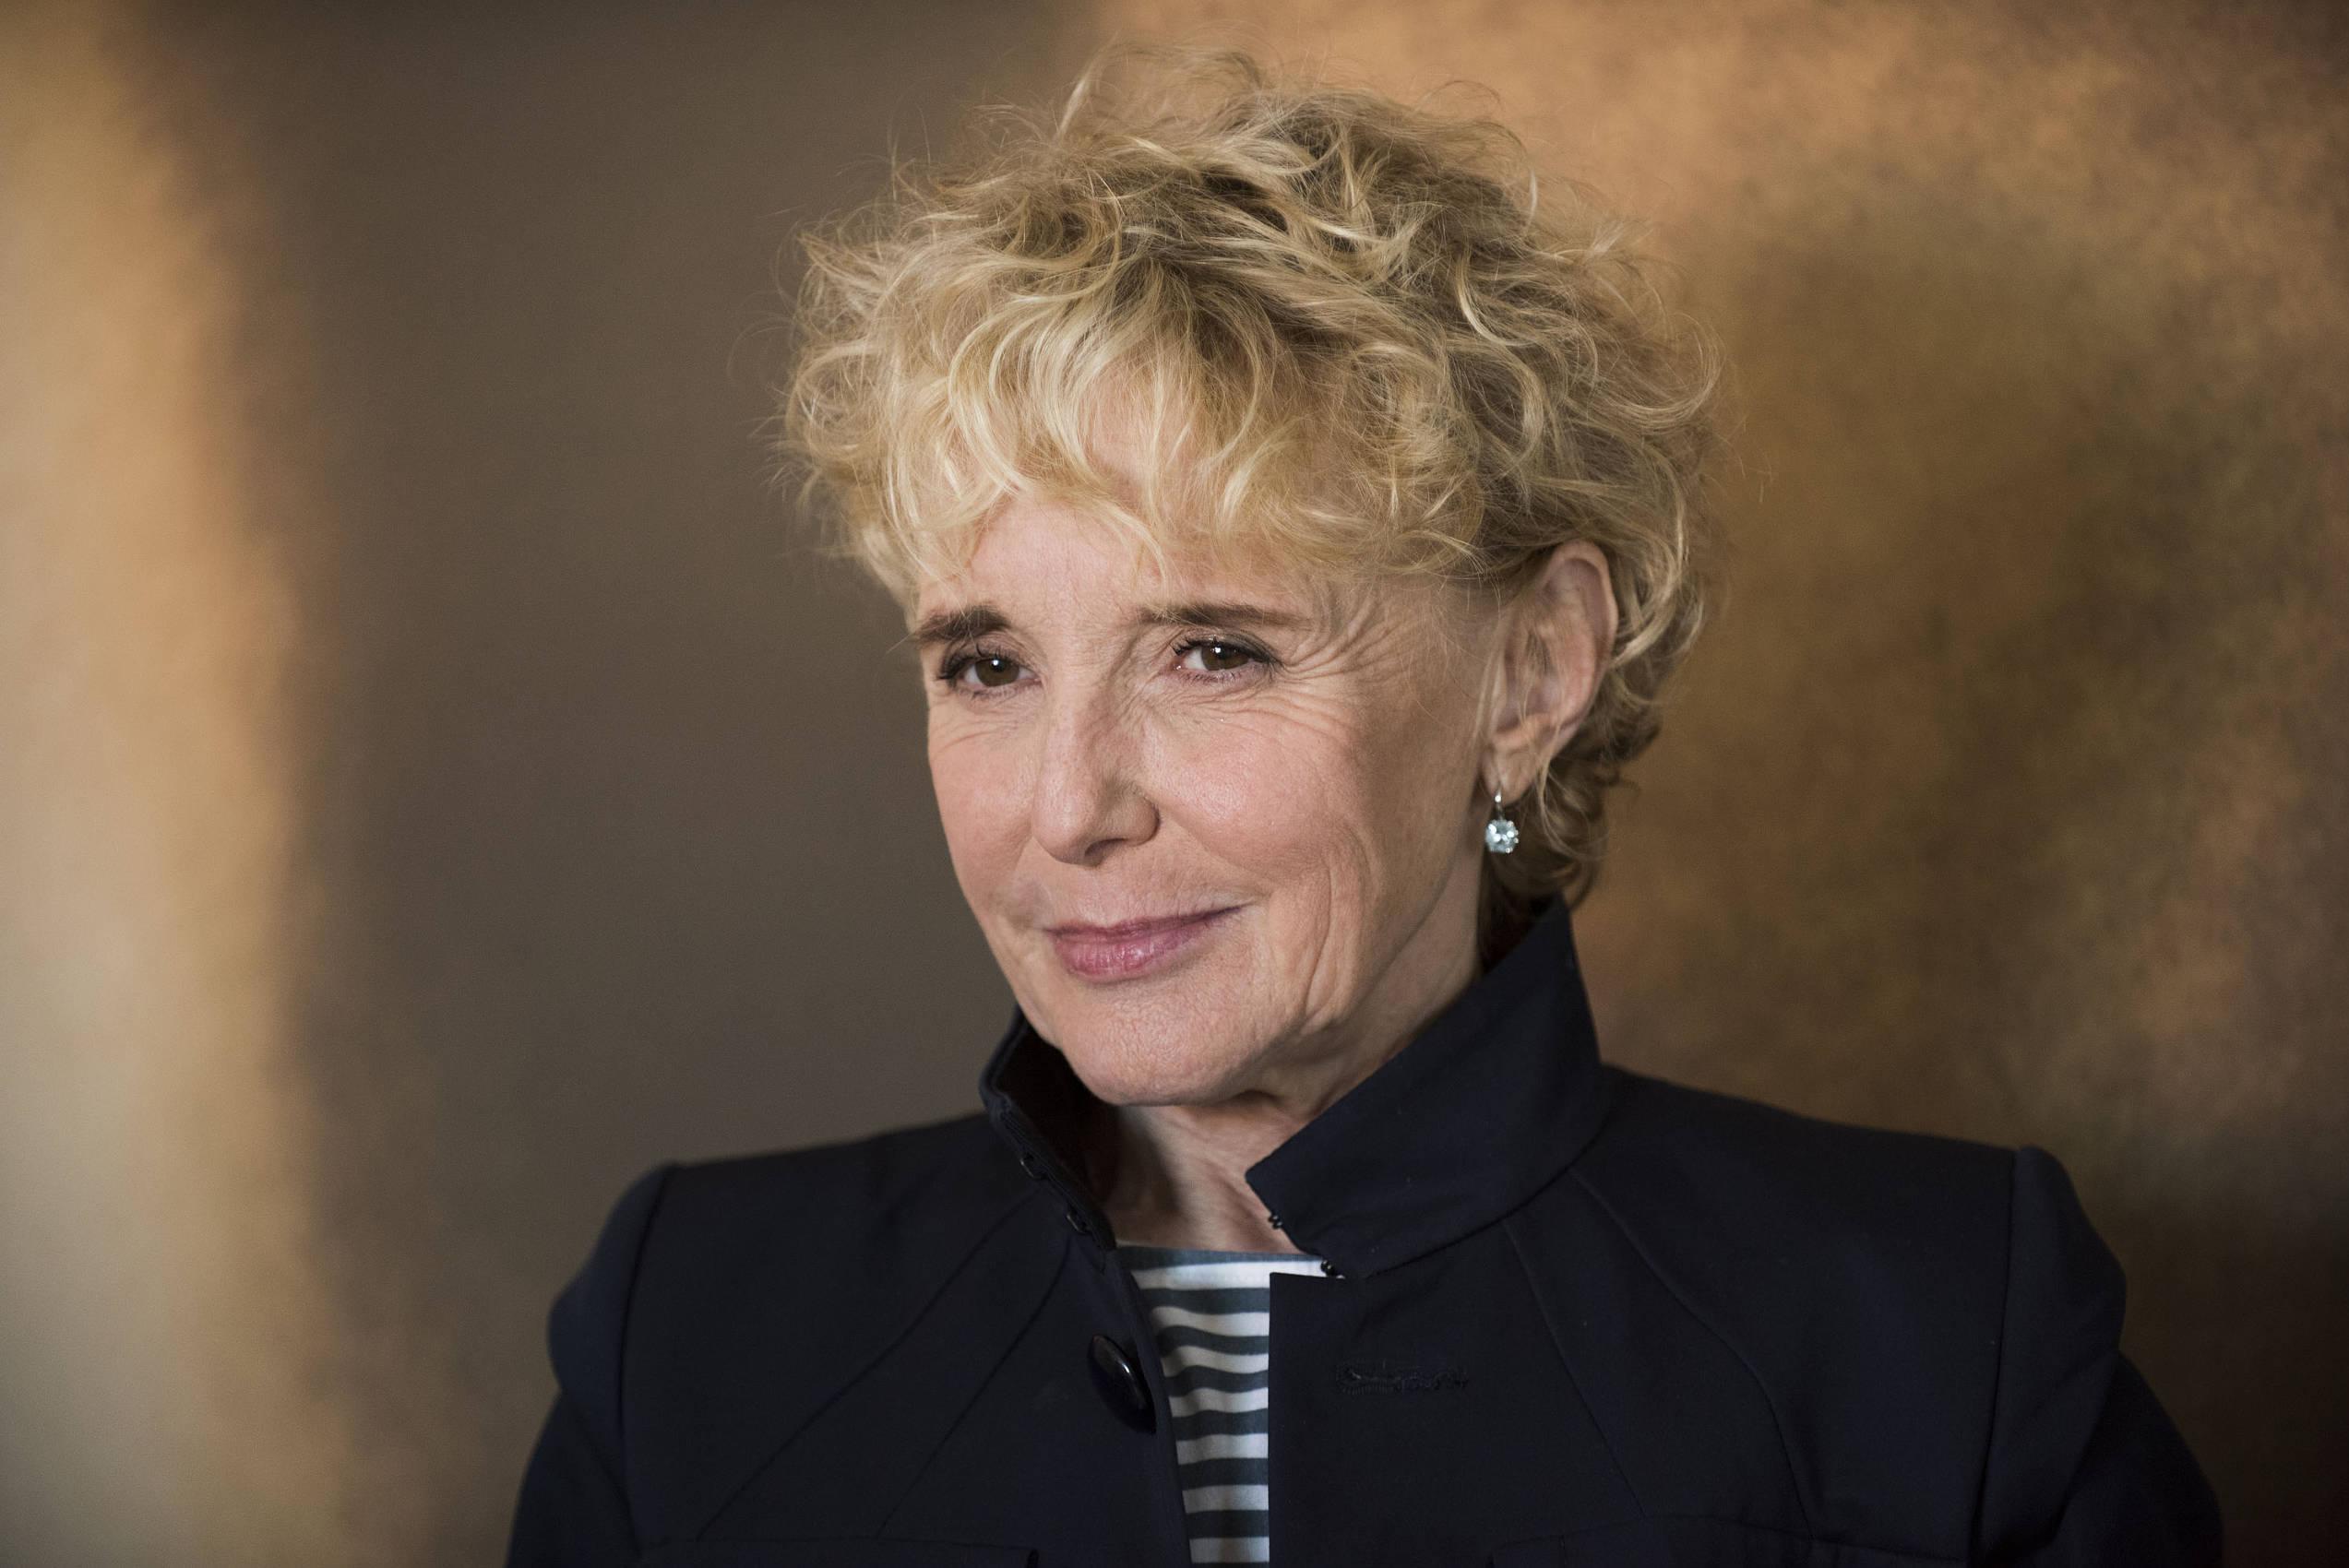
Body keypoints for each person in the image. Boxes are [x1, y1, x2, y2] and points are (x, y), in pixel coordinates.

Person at [506, 42, 2221, 1567]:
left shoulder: (1942, 1334)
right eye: (988, 663)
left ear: (1532, 674)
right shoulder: (691, 1330)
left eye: (1214, 651)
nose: (1069, 807)